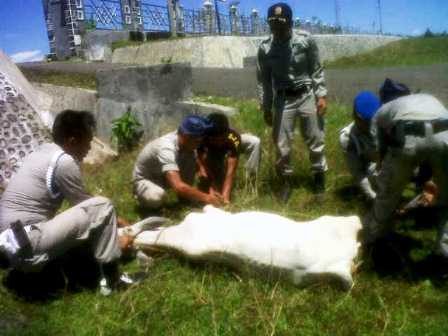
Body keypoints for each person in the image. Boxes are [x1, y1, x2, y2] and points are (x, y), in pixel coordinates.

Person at [0, 110, 133, 290]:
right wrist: (118, 224)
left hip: (8, 240)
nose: (88, 148)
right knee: (104, 205)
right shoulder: (64, 162)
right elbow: (90, 208)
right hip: (25, 245)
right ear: (72, 141)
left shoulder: (40, 151)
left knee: (83, 223)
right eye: (87, 142)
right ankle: (112, 279)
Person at [363, 93, 448, 265]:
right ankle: (444, 250)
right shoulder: (429, 99)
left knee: (387, 196)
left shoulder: (381, 112)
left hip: (409, 137)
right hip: (444, 135)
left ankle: (373, 241)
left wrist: (383, 165)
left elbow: (376, 147)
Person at [257, 2, 328, 201]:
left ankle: (319, 179)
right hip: (282, 100)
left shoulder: (306, 40)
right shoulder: (265, 48)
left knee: (315, 139)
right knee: (282, 145)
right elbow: (263, 79)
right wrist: (266, 106)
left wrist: (321, 95)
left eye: (281, 25)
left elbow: (316, 68)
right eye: (273, 25)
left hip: (306, 95)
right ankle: (286, 182)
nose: (277, 29)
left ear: (289, 23)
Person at [132, 115, 223, 209]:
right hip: (145, 180)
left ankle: (185, 200)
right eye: (197, 141)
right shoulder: (166, 148)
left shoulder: (186, 144)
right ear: (186, 137)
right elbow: (178, 186)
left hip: (162, 177)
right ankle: (146, 205)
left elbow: (201, 170)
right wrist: (207, 198)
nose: (199, 144)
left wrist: (211, 190)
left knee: (191, 158)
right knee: (157, 196)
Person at [197, 113, 261, 204]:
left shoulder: (233, 137)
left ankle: (251, 184)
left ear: (227, 133)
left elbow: (231, 171)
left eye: (221, 140)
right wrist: (212, 187)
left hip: (230, 144)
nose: (219, 143)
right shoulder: (200, 137)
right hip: (212, 151)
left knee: (255, 142)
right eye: (215, 140)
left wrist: (226, 198)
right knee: (215, 178)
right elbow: (202, 166)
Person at [339, 91, 381, 201]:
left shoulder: (385, 124)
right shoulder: (348, 138)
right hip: (372, 171)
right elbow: (358, 173)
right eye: (366, 122)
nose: (371, 124)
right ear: (356, 117)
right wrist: (373, 196)